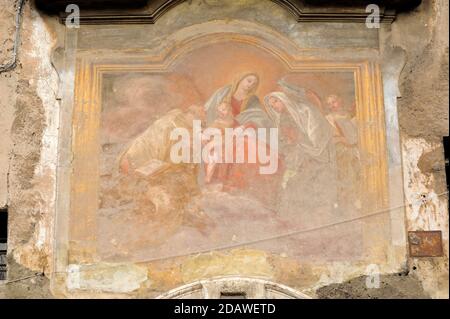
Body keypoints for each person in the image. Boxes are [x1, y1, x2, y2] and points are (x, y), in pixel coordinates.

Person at [264, 90, 338, 223]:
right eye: (271, 105)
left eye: (275, 101)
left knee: (311, 186)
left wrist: (303, 145)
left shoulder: (305, 110)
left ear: (284, 99)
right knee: (290, 184)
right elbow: (284, 140)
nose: (274, 106)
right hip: (297, 156)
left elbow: (318, 133)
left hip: (316, 154)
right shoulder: (282, 119)